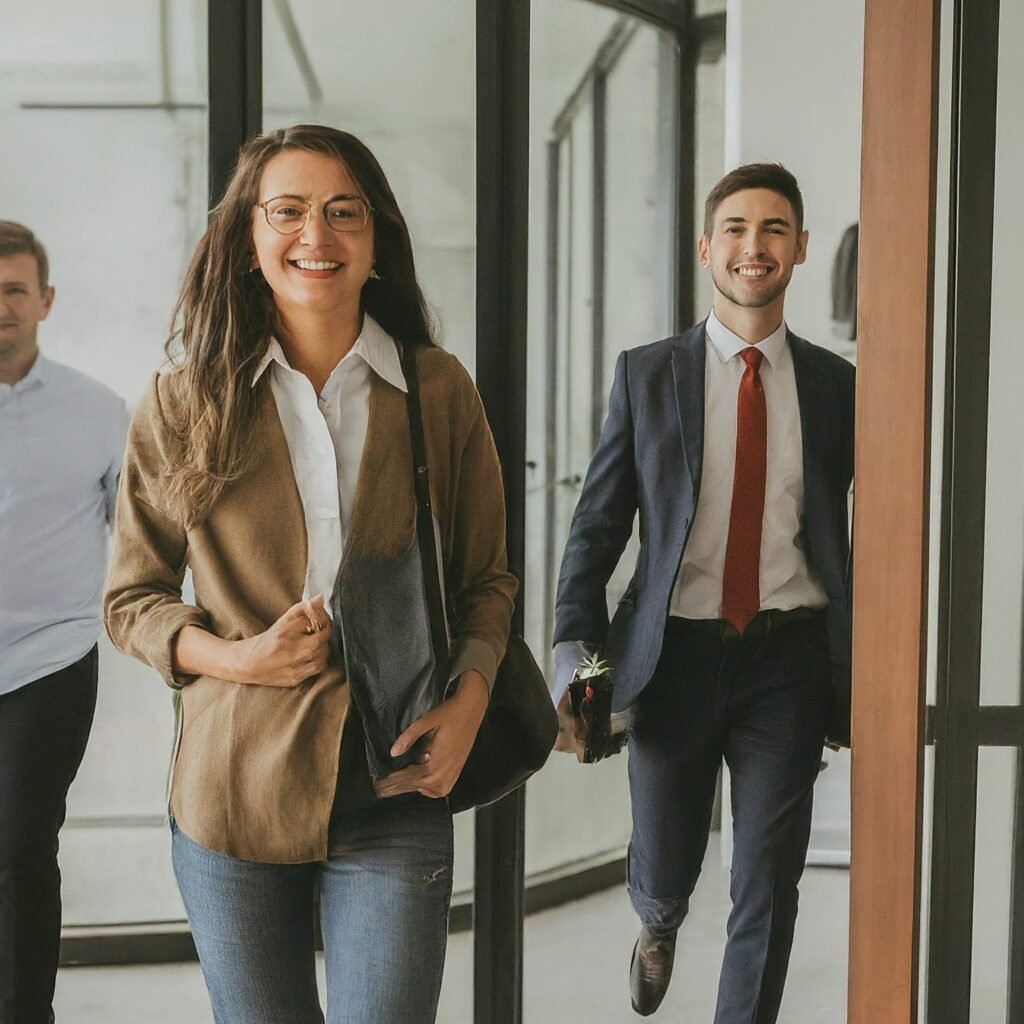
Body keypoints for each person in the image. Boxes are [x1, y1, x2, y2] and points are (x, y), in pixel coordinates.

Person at [104, 124, 516, 1024]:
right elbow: (131, 600)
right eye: (286, 212)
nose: (316, 237)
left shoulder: (437, 389)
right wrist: (235, 659)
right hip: (232, 792)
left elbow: (488, 578)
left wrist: (473, 698)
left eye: (343, 213)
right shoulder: (181, 402)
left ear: (376, 240)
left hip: (395, 778)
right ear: (249, 242)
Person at [553, 164, 854, 1022]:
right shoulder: (648, 376)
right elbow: (596, 534)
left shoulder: (836, 388)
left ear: (798, 248)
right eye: (735, 229)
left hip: (787, 659)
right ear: (705, 248)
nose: (752, 247)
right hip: (670, 655)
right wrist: (578, 671)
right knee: (668, 856)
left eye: (772, 230)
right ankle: (655, 922)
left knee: (767, 877)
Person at [0, 221, 128, 1024]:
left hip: (47, 659)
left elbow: (142, 538)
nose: (0, 306)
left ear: (44, 301)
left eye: (14, 289)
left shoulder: (98, 411)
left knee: (16, 846)